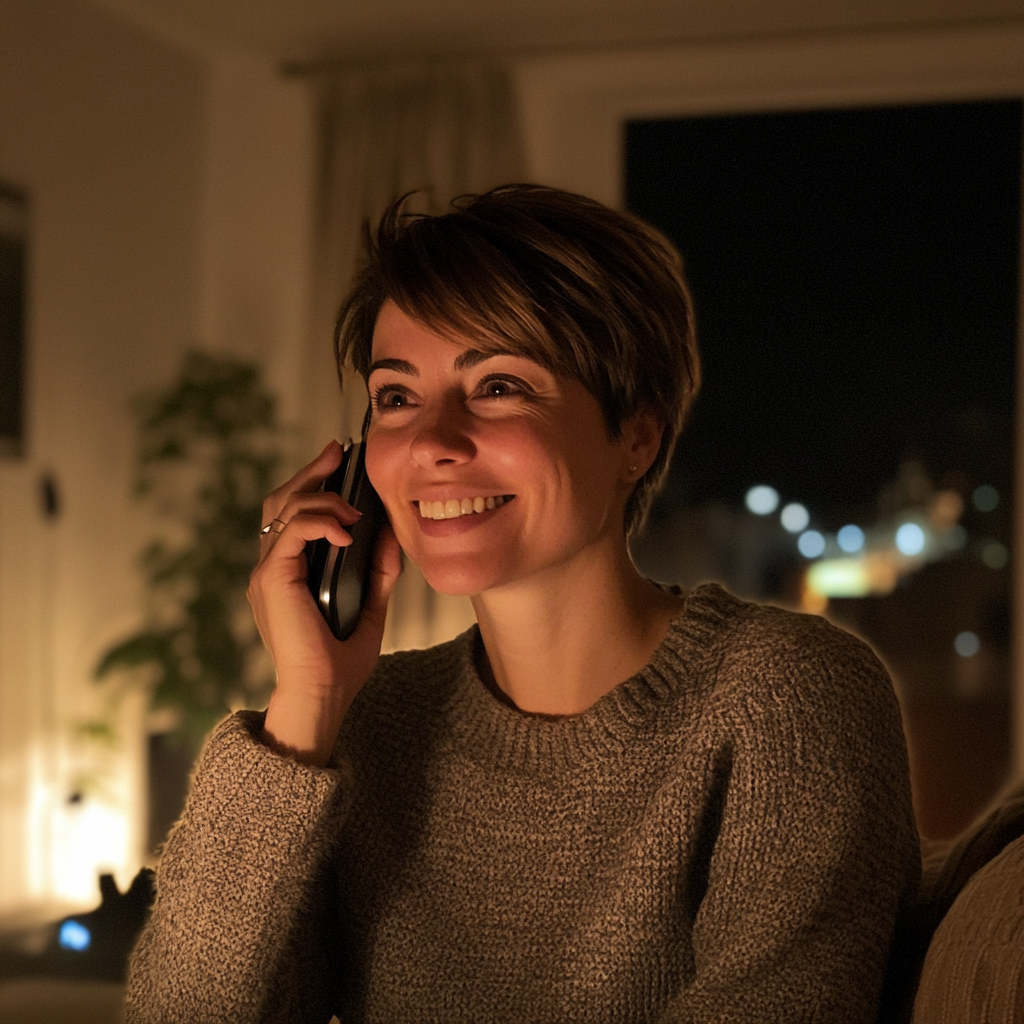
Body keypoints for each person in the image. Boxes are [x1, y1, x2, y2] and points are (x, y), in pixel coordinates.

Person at [125, 185, 919, 1023]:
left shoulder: (787, 698)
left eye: (499, 385)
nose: (431, 442)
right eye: (396, 397)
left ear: (637, 437)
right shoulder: (370, 727)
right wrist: (306, 705)